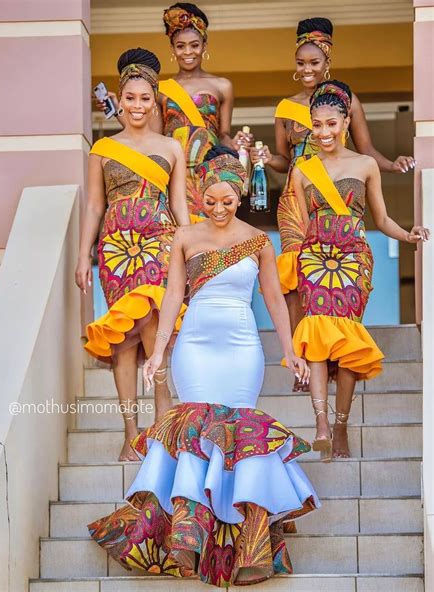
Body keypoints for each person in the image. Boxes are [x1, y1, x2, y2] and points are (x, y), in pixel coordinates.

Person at [87, 146, 320, 587]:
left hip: (241, 347)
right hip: (194, 345)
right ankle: (188, 538)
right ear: (199, 197)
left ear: (240, 196)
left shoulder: (257, 241)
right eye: (209, 201)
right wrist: (157, 353)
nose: (218, 209)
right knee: (193, 430)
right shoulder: (184, 237)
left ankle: (248, 546)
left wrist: (290, 349)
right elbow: (173, 295)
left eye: (227, 201)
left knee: (241, 433)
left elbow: (273, 298)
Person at [250, 17, 416, 391]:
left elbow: (365, 148)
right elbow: (281, 160)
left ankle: (336, 356)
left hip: (338, 199)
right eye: (301, 63)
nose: (307, 70)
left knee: (332, 278)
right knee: (296, 282)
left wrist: (393, 164)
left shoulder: (345, 100)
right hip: (298, 198)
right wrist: (262, 156)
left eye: (314, 62)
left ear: (328, 61)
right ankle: (303, 363)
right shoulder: (285, 107)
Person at [291, 80, 429, 460]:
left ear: (346, 121)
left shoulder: (366, 164)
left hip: (352, 258)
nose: (323, 132)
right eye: (317, 125)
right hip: (315, 259)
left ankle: (340, 426)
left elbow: (381, 218)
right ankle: (320, 423)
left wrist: (408, 233)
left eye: (331, 124)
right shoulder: (303, 171)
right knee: (317, 335)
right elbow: (303, 227)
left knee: (348, 341)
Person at [75, 48, 190, 462]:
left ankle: (162, 427)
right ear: (119, 100)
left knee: (155, 326)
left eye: (145, 98)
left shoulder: (171, 148)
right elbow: (93, 206)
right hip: (116, 250)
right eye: (130, 98)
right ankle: (130, 434)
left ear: (155, 100)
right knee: (122, 342)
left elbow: (180, 207)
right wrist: (82, 254)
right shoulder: (103, 149)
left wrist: (190, 251)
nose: (137, 106)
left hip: (159, 242)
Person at [97, 3, 251, 222]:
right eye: (180, 46)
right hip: (173, 170)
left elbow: (223, 133)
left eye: (194, 45)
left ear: (204, 45)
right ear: (173, 49)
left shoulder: (222, 86)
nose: (188, 52)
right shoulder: (161, 89)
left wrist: (234, 144)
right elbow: (153, 132)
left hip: (208, 169)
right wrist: (119, 110)